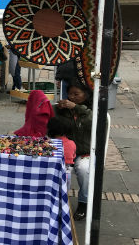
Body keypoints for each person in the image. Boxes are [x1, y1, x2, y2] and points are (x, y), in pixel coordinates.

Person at [53, 82, 92, 221]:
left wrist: (77, 108)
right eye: (70, 94)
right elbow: (51, 126)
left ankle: (84, 203)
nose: (72, 97)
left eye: (77, 94)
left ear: (85, 95)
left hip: (84, 152)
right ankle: (56, 202)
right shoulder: (62, 110)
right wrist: (55, 109)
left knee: (83, 169)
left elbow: (94, 122)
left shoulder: (90, 110)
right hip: (65, 151)